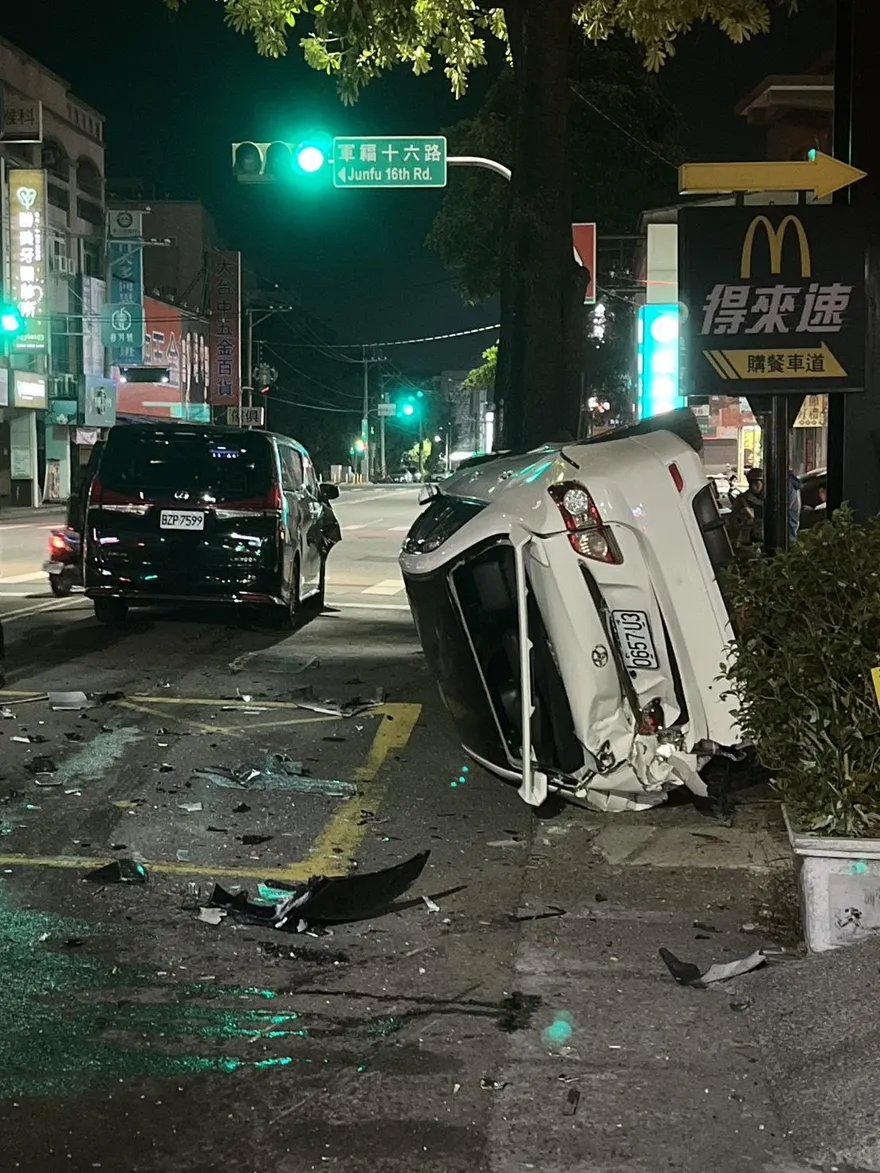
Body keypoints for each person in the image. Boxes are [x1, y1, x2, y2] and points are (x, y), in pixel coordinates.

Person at [726, 467, 764, 553]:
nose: (753, 486)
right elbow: (732, 521)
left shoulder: (772, 498)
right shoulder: (742, 499)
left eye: (756, 482)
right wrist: (743, 518)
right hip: (747, 541)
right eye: (750, 482)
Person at [788, 469, 802, 544]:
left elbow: (788, 504)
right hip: (794, 516)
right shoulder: (793, 483)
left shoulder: (787, 483)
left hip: (789, 517)